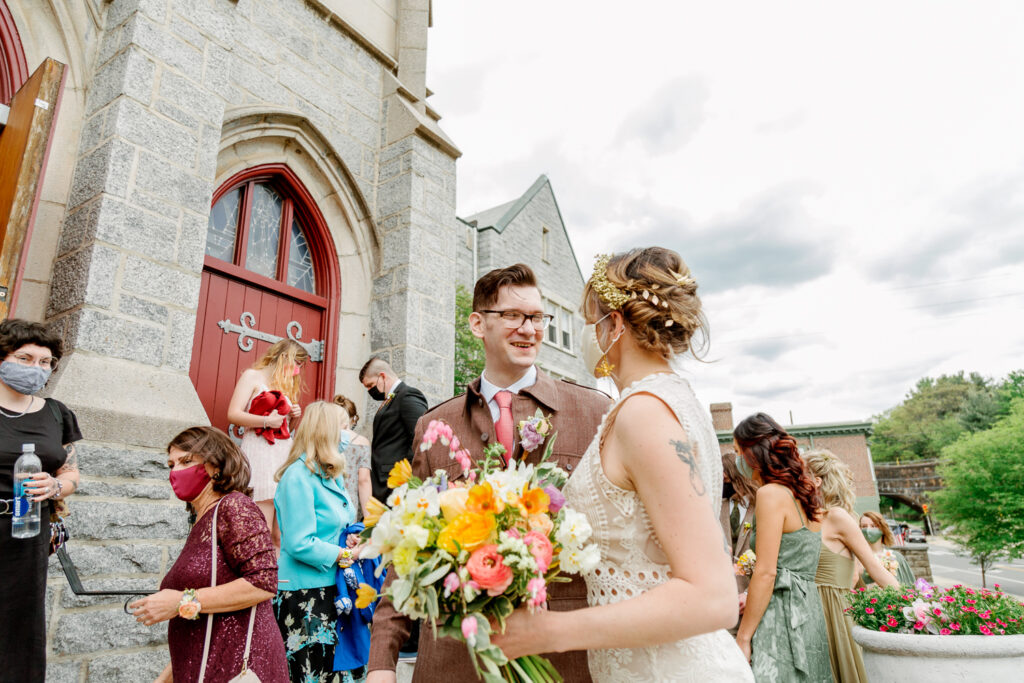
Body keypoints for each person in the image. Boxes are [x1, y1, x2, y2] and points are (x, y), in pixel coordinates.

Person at [490, 249, 752, 681]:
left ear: (614, 325)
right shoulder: (667, 401)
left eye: (588, 318)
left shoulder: (645, 413)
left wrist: (548, 632)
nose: (583, 332)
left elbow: (713, 597)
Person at [367, 263, 612, 683]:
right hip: (456, 654)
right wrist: (381, 662)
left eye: (537, 317)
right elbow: (406, 549)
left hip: (561, 655)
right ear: (478, 323)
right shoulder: (434, 425)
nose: (529, 329)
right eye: (514, 316)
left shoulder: (594, 412)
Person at [131, 427, 287, 683]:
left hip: (238, 668)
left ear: (216, 466)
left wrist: (180, 601)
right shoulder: (201, 521)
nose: (175, 471)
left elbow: (263, 582)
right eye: (171, 464)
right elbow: (203, 625)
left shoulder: (234, 507)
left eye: (186, 461)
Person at [0, 319, 82, 683]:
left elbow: (71, 474)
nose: (36, 368)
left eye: (45, 362)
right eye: (25, 358)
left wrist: (55, 487)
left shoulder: (56, 413)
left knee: (19, 625)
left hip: (27, 531)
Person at [733, 413, 831, 683]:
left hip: (781, 615)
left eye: (738, 451)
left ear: (753, 453)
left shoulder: (771, 494)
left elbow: (767, 572)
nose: (737, 459)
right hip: (809, 610)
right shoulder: (805, 494)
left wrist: (744, 637)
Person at [273, 401, 363, 683]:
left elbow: (336, 523)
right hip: (305, 596)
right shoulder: (297, 477)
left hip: (329, 588)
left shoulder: (329, 474)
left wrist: (349, 537)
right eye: (343, 428)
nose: (348, 435)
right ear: (326, 432)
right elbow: (299, 542)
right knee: (309, 674)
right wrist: (342, 554)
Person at [803, 449, 899, 682]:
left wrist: (909, 605)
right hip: (807, 611)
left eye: (800, 473)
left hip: (834, 612)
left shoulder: (837, 516)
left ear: (816, 481)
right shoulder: (805, 517)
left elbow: (872, 567)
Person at [227, 339, 308, 548]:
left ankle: (278, 577)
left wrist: (294, 417)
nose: (298, 370)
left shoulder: (284, 385)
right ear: (284, 357)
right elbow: (233, 414)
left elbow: (285, 430)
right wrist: (265, 421)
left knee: (280, 533)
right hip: (260, 452)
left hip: (282, 454)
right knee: (260, 526)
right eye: (297, 363)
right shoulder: (252, 376)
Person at [360, 357, 428, 504]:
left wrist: (406, 476)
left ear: (383, 376)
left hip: (395, 483)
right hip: (382, 483)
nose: (370, 391)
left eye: (371, 385)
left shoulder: (408, 395)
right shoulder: (391, 399)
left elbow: (421, 438)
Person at [723, 451, 759, 596]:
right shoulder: (718, 507)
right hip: (724, 591)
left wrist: (748, 593)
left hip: (751, 589)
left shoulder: (759, 505)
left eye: (727, 480)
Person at [334, 394, 372, 518]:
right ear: (353, 418)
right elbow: (364, 480)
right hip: (348, 501)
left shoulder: (325, 439)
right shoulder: (362, 443)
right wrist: (369, 518)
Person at [856, 510, 915, 586]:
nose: (868, 529)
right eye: (864, 526)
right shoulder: (857, 559)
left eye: (873, 526)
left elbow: (910, 588)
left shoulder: (897, 557)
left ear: (882, 529)